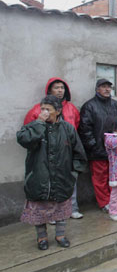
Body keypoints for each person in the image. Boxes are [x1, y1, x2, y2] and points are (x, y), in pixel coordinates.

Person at [17, 95, 87, 250]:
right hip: (38, 176)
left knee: (61, 209)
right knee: (39, 210)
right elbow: (23, 139)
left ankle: (60, 236)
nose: (44, 112)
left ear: (58, 111)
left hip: (62, 177)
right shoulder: (35, 126)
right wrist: (39, 123)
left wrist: (73, 174)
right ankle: (41, 238)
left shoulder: (68, 128)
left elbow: (79, 154)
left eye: (47, 109)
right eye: (42, 109)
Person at [23, 77, 84, 219]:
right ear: (49, 90)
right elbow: (27, 132)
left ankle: (72, 209)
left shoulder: (71, 108)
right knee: (49, 186)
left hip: (65, 153)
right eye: (56, 87)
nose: (60, 90)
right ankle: (50, 216)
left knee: (68, 184)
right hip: (44, 155)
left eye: (62, 87)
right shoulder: (37, 110)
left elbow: (77, 125)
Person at [78, 79, 117, 211]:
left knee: (114, 177)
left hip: (114, 149)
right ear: (97, 89)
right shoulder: (89, 106)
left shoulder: (115, 105)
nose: (107, 89)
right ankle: (104, 203)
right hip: (97, 150)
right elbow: (84, 128)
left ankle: (114, 201)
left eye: (109, 87)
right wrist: (93, 145)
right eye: (104, 87)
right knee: (100, 178)